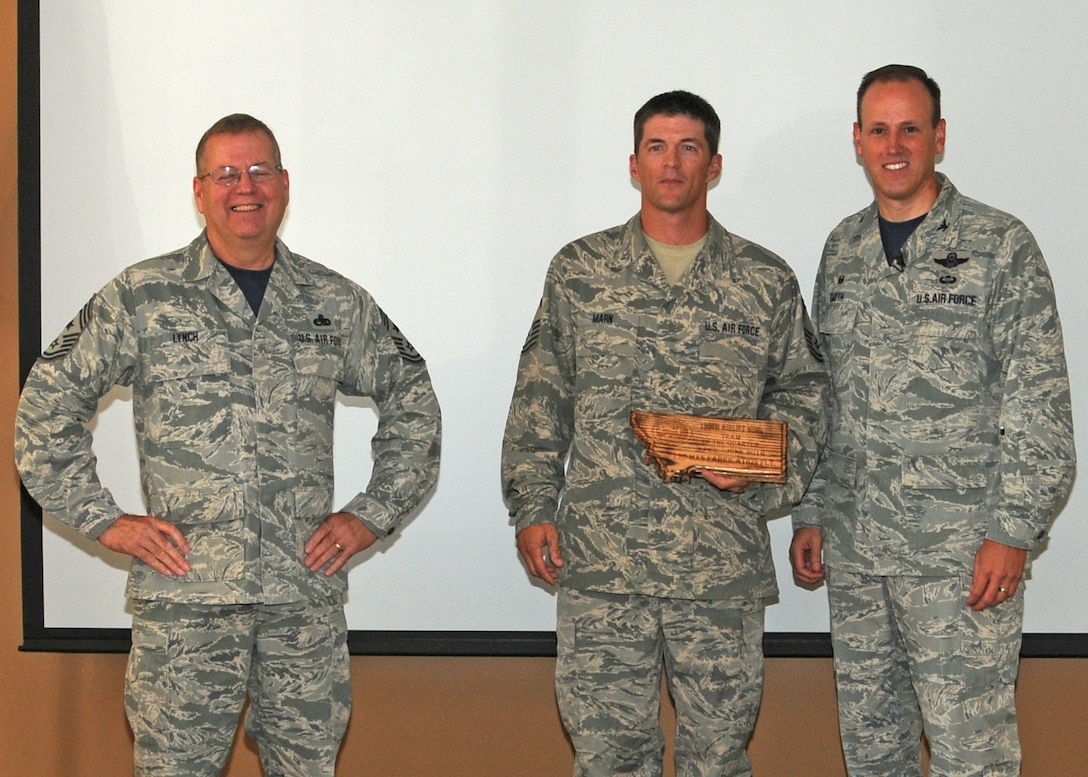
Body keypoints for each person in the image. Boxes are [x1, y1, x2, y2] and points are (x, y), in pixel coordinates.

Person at [15, 114, 442, 776]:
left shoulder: (332, 300)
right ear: (199, 189)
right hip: (186, 607)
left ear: (284, 183)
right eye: (227, 174)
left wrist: (370, 513)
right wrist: (108, 520)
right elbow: (45, 406)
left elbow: (412, 395)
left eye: (260, 171)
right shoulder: (144, 296)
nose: (246, 188)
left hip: (302, 601)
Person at [502, 90, 827, 777]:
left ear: (713, 165)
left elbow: (806, 395)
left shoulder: (764, 280)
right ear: (634, 163)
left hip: (718, 566)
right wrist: (532, 507)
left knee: (716, 759)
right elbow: (540, 398)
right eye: (656, 147)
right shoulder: (580, 272)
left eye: (688, 148)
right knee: (609, 760)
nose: (671, 163)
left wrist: (767, 468)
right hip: (602, 567)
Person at [789, 65, 1076, 777]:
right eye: (879, 129)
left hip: (960, 560)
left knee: (969, 756)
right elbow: (825, 392)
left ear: (939, 137)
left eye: (910, 128)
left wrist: (1013, 531)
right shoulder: (842, 249)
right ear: (857, 140)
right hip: (857, 556)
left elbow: (1040, 405)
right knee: (874, 750)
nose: (895, 144)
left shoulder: (1000, 244)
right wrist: (812, 511)